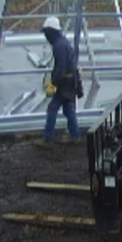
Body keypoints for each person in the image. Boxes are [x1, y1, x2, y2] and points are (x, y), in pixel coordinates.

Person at [37, 16, 82, 146]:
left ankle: (48, 138)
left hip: (65, 83)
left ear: (51, 32)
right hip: (70, 81)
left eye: (46, 33)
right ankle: (75, 135)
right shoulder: (63, 42)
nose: (45, 36)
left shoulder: (58, 46)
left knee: (52, 109)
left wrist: (53, 83)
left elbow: (61, 67)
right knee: (68, 108)